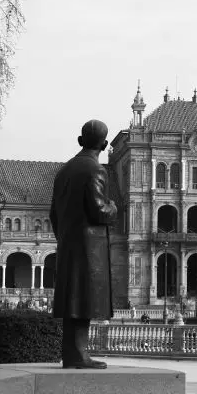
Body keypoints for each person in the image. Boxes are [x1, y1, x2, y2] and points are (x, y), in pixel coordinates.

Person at [51, 119, 118, 369]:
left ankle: (71, 353)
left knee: (73, 298)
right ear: (104, 143)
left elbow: (53, 213)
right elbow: (99, 210)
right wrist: (114, 208)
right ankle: (79, 355)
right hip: (90, 247)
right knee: (84, 298)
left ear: (80, 141)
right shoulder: (95, 170)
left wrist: (65, 238)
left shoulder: (64, 171)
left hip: (69, 243)